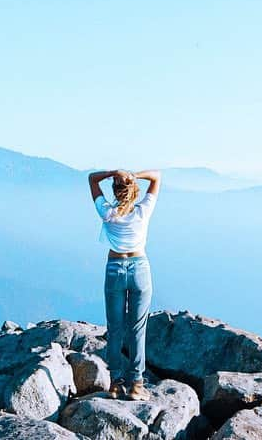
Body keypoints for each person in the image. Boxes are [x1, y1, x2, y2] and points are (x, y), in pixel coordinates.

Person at [87, 168, 161, 401]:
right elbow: (157, 176)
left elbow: (91, 178)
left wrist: (113, 173)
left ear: (115, 191)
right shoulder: (143, 211)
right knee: (137, 329)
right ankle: (137, 385)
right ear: (133, 191)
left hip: (115, 268)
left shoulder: (107, 212)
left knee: (115, 328)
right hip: (140, 268)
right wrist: (132, 175)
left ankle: (116, 383)